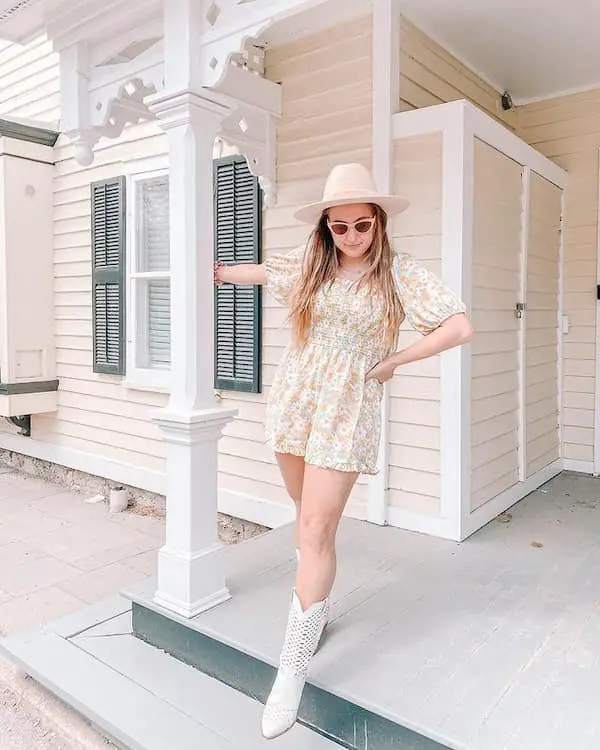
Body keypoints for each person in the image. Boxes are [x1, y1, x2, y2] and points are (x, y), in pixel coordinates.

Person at [213, 163, 473, 739]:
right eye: (340, 227)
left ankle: (292, 668)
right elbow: (265, 271)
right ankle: (315, 608)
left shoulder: (398, 275)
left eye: (362, 225)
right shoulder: (312, 267)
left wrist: (393, 362)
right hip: (295, 401)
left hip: (346, 410)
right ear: (326, 228)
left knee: (315, 531)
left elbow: (457, 326)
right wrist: (218, 271)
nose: (352, 237)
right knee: (307, 522)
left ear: (378, 224)